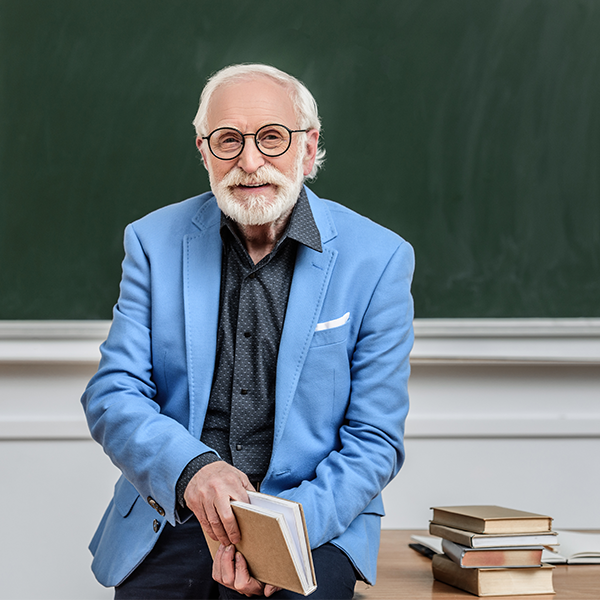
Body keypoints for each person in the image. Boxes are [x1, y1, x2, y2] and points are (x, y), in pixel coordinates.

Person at [81, 63, 415, 600]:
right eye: (228, 140)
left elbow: (374, 439)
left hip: (310, 519)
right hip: (178, 513)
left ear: (308, 148)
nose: (250, 160)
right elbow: (113, 394)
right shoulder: (150, 241)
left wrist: (282, 531)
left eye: (271, 138)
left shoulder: (379, 259)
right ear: (204, 152)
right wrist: (193, 470)